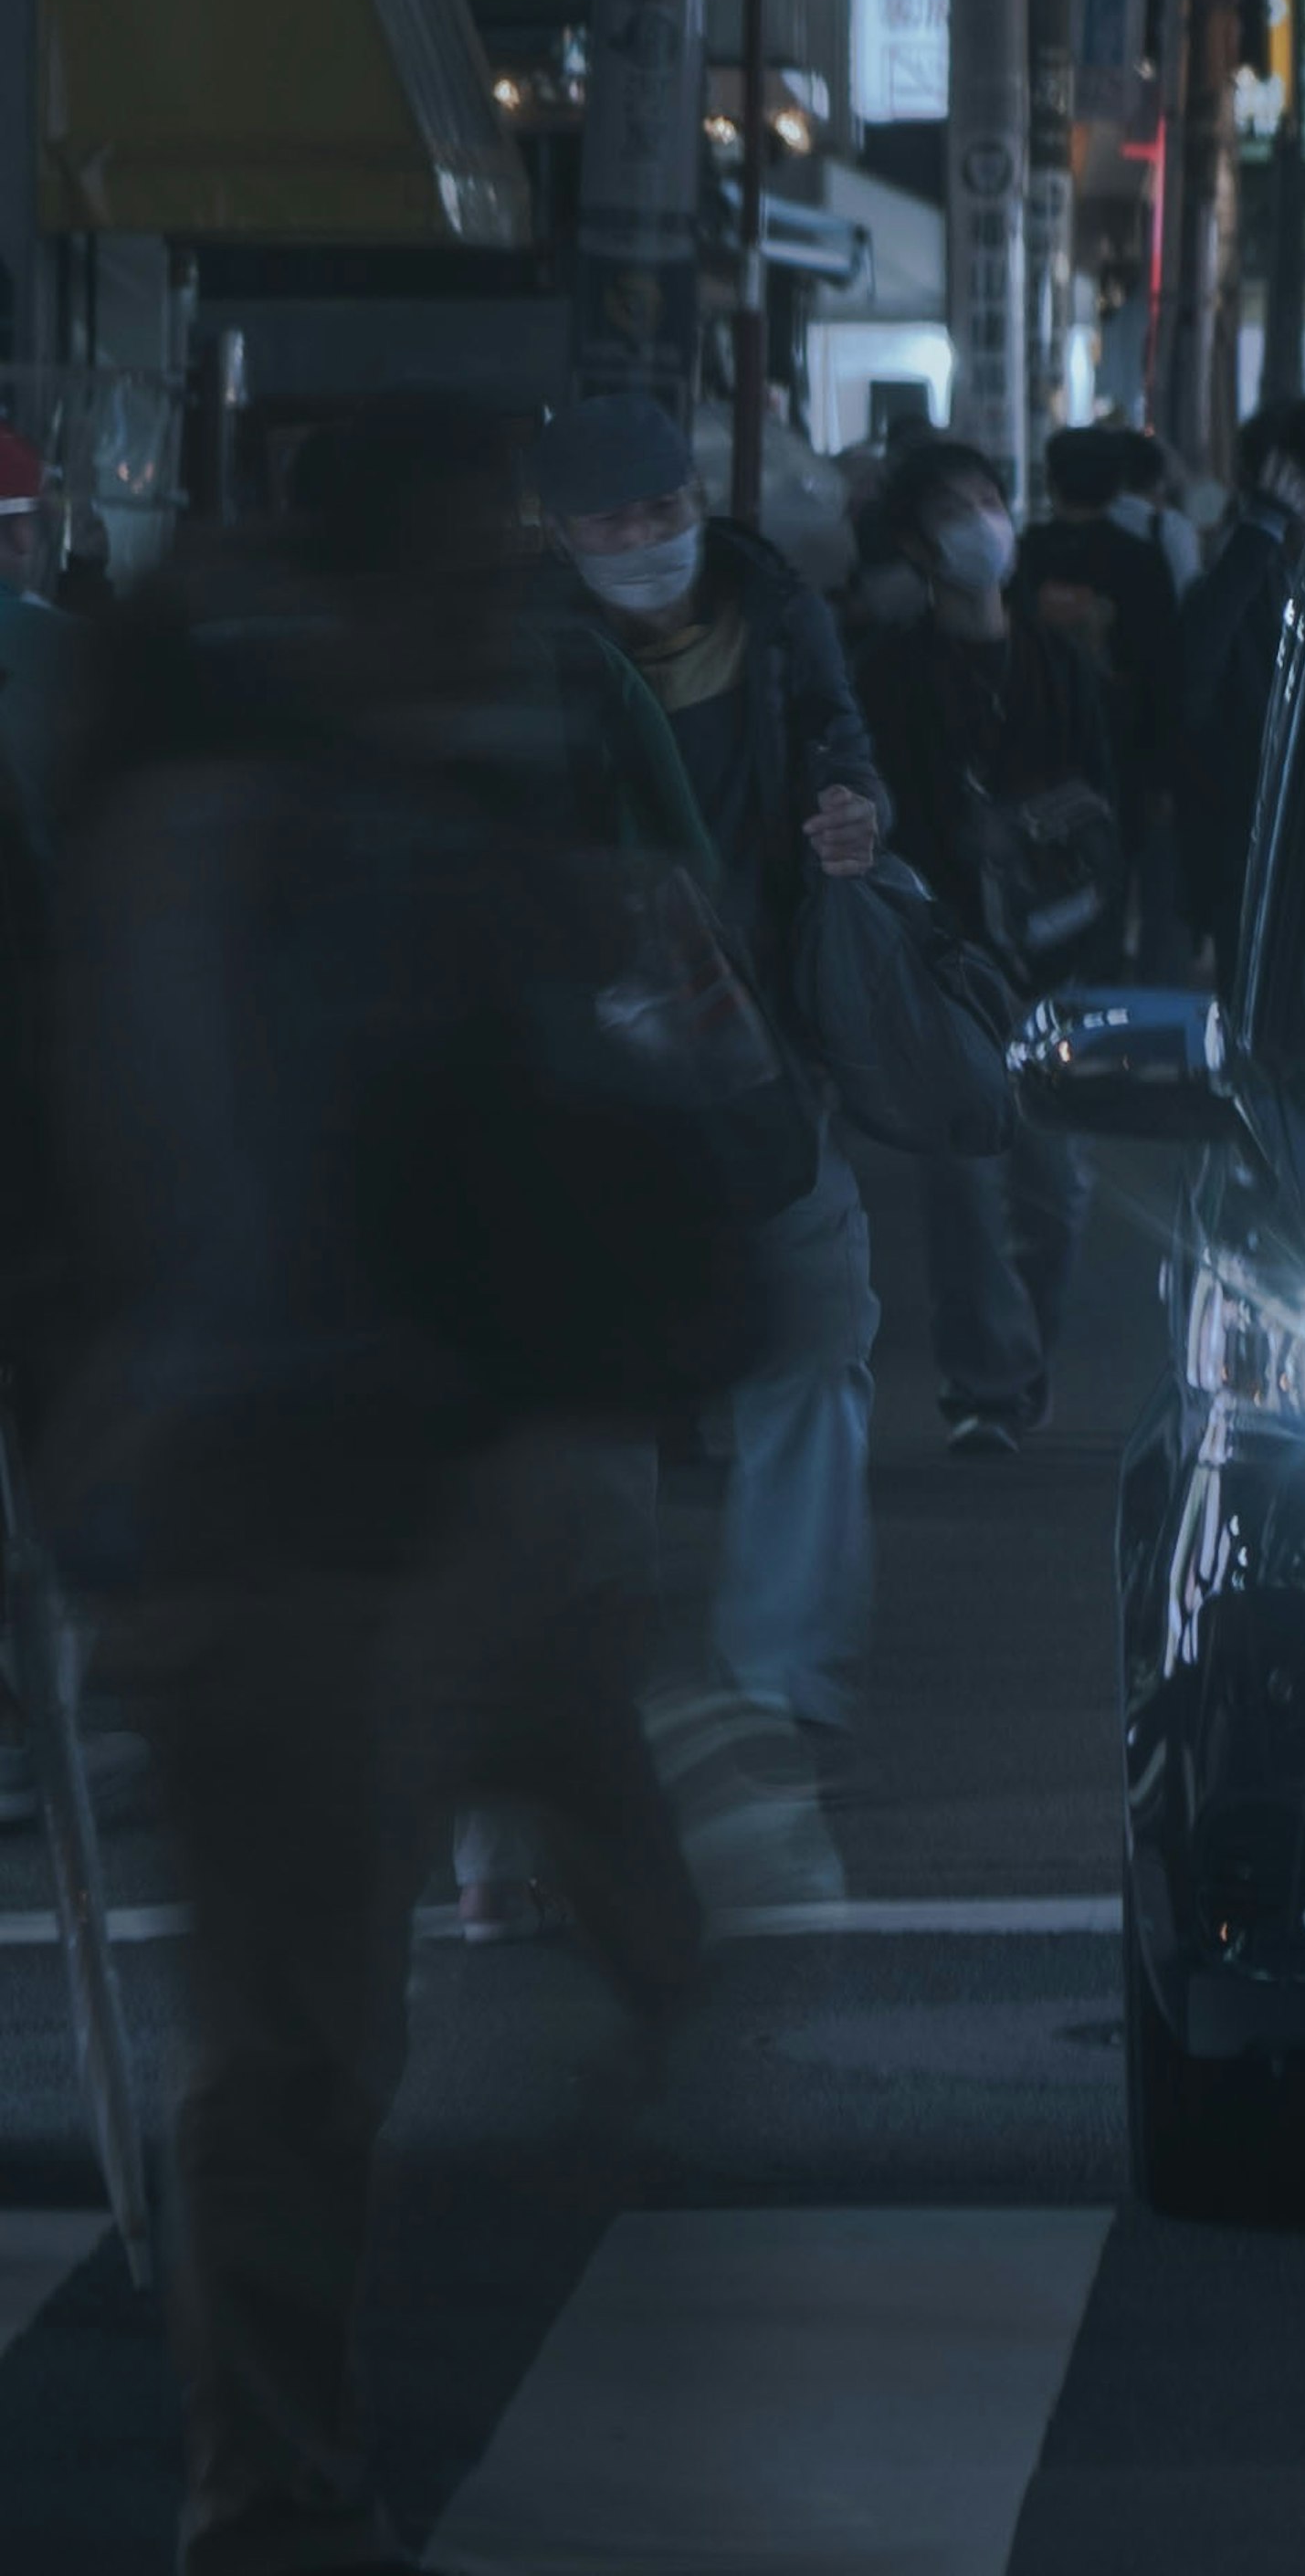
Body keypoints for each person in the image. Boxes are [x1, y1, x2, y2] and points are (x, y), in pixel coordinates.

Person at [46, 395, 752, 2576]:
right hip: (303, 1512)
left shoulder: (317, 816)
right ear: (334, 599)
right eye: (456, 580)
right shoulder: (274, 838)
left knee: (329, 2007)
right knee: (296, 2036)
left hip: (384, 1502)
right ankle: (274, 2471)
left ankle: (317, 2422)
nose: (493, 615)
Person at [532, 394, 889, 1761]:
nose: (647, 541)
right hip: (585, 1079)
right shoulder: (529, 653)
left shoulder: (775, 607)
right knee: (594, 1393)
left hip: (765, 1053)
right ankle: (582, 1712)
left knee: (811, 1339)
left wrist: (857, 814)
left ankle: (778, 1678)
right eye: (612, 523)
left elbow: (844, 748)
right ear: (560, 537)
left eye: (664, 510)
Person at [855, 435, 1119, 1453]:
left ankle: (1023, 1356)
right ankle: (988, 1387)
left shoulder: (1059, 666)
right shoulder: (893, 678)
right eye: (954, 511)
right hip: (945, 965)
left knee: (1056, 1191)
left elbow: (1107, 810)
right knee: (963, 1186)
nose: (982, 524)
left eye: (988, 501)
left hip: (1057, 964)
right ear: (920, 551)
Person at [1171, 393, 1305, 960]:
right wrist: (1260, 534)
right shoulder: (1240, 587)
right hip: (1250, 864)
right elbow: (1187, 678)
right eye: (1279, 496)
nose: (1303, 513)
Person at [1018, 424, 1192, 975]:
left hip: (1036, 751)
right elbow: (1166, 671)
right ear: (1118, 487)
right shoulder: (1139, 559)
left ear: (1052, 483)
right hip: (1123, 750)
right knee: (1109, 882)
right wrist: (1165, 772)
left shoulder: (1025, 557)